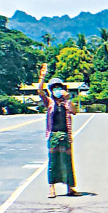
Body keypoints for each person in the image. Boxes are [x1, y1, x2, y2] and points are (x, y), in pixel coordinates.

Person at [37, 64, 79, 198]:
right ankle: (52, 189)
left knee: (67, 161)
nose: (57, 90)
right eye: (54, 88)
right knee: (53, 162)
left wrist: (68, 99)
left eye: (59, 87)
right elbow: (39, 91)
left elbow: (75, 111)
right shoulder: (49, 102)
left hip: (65, 135)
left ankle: (70, 188)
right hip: (53, 135)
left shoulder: (66, 103)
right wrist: (42, 77)